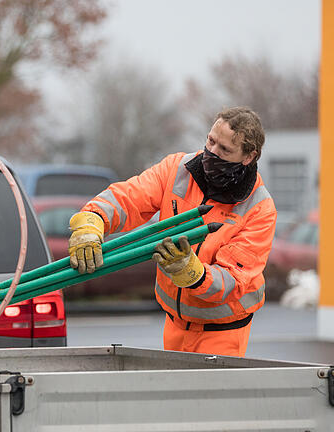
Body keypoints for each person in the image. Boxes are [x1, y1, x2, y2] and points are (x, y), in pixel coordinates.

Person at [68, 107, 276, 357]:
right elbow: (130, 197)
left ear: (248, 157)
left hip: (222, 332)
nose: (212, 152)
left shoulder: (259, 208)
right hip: (174, 323)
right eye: (211, 141)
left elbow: (234, 280)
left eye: (225, 149)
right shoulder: (178, 169)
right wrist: (93, 220)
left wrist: (194, 273)